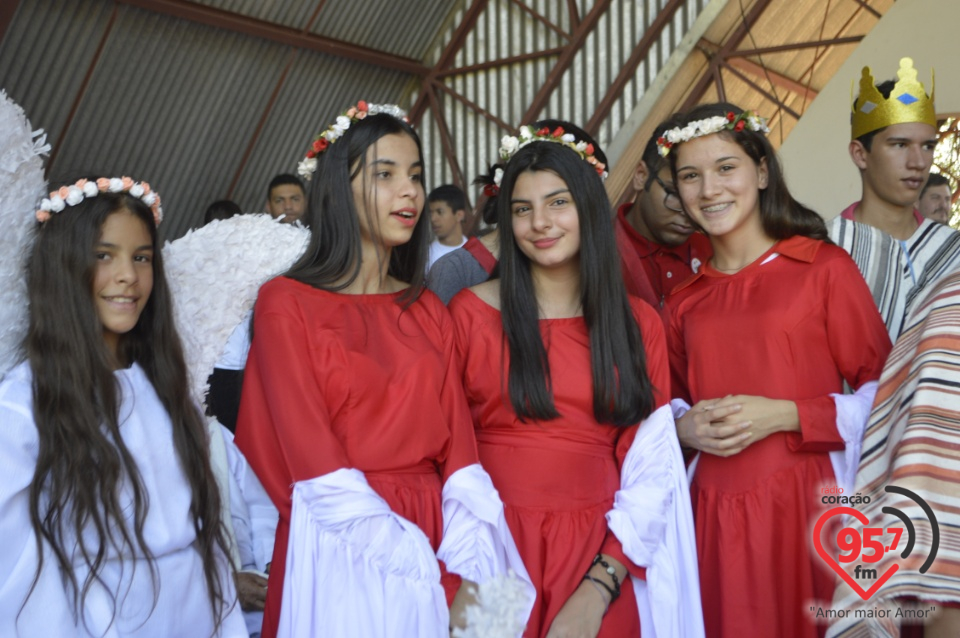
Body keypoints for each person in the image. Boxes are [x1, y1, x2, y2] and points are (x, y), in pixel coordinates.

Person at [234, 101, 530, 638]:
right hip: (338, 539)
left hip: (436, 531)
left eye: (415, 175)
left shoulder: (426, 309)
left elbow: (461, 454)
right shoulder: (285, 302)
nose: (411, 191)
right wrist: (434, 579)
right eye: (385, 174)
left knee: (499, 621)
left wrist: (469, 566)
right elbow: (308, 462)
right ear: (336, 190)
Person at [449, 125, 702, 638]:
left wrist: (601, 584)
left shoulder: (635, 324)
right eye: (522, 209)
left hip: (601, 552)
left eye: (557, 202)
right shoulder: (469, 314)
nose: (540, 223)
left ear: (588, 207)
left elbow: (650, 467)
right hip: (490, 552)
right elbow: (450, 454)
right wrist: (466, 578)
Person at [663, 103, 892, 638]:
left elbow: (886, 396)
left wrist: (790, 415)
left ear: (762, 172)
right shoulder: (681, 304)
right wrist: (682, 428)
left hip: (809, 504)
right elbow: (663, 413)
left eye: (726, 168)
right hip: (713, 516)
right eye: (690, 176)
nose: (709, 189)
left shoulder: (823, 269)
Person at [0, 177, 245, 636]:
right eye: (103, 255)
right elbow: (15, 565)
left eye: (142, 258)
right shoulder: (23, 405)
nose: (128, 275)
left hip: (194, 611)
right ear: (63, 266)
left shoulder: (167, 385)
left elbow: (202, 534)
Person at [828, 57, 960, 340]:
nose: (918, 162)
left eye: (927, 146)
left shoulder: (952, 250)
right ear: (860, 154)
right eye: (899, 145)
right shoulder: (827, 247)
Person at [615, 118, 712, 315]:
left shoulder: (713, 252)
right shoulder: (595, 253)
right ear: (641, 176)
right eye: (675, 194)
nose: (689, 212)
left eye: (700, 199)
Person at [427, 184, 468, 269]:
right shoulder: (426, 257)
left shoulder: (474, 253)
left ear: (459, 215)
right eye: (430, 213)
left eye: (440, 212)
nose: (433, 219)